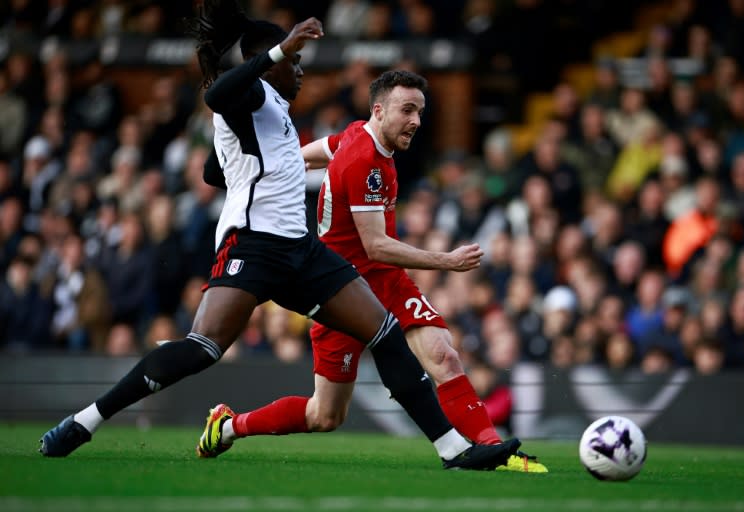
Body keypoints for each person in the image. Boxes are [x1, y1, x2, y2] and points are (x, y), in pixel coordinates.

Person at [39, 1, 519, 471]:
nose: (302, 72)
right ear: (273, 63)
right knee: (201, 348)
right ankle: (86, 420)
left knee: (386, 334)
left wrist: (238, 160)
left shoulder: (276, 110)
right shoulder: (252, 95)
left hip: (301, 250)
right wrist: (276, 53)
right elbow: (217, 98)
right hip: (253, 245)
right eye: (297, 62)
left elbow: (213, 172)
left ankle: (454, 450)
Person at [206, 68, 545, 472]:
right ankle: (229, 426)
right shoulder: (365, 162)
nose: (416, 121)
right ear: (380, 110)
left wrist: (276, 171)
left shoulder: (358, 134)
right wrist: (447, 261)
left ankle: (494, 449)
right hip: (341, 289)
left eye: (419, 112)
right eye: (407, 111)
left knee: (442, 355)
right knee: (325, 416)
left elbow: (318, 152)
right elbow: (376, 245)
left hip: (385, 279)